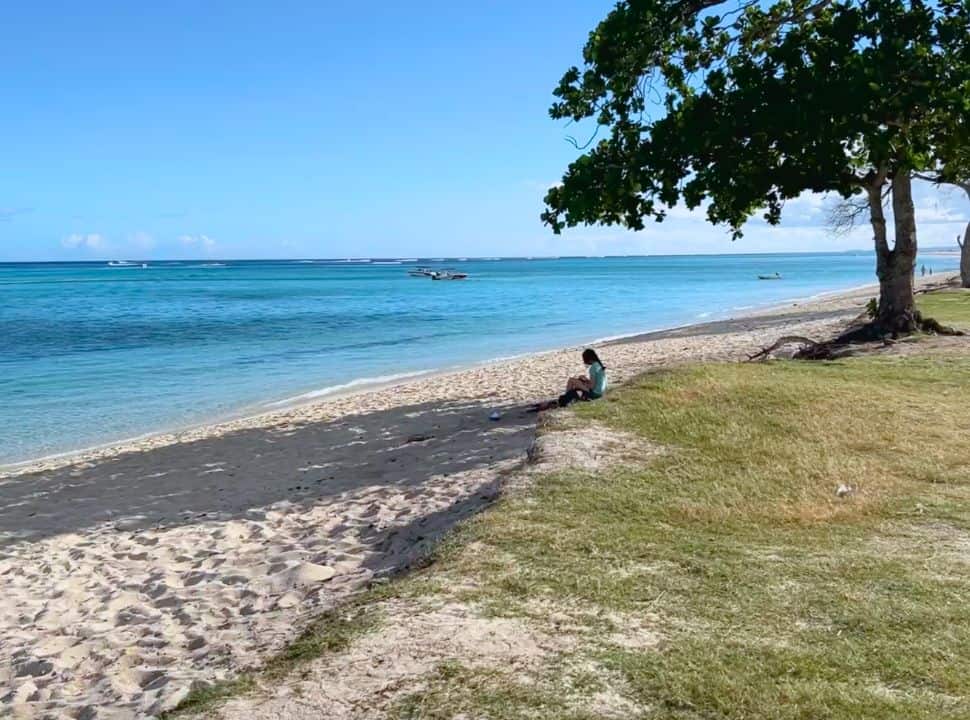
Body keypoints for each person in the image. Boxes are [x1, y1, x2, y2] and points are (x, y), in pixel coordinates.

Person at [531, 349, 609, 411]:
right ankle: (566, 398)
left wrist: (584, 382)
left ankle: (565, 398)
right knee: (576, 383)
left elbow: (591, 386)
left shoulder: (593, 368)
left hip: (594, 394)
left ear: (588, 359)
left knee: (571, 380)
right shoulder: (599, 365)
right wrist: (585, 380)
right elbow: (595, 383)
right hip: (600, 392)